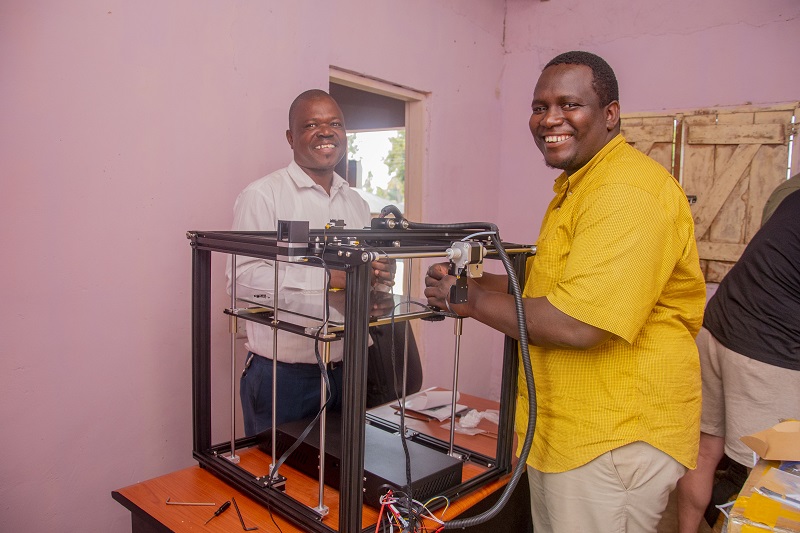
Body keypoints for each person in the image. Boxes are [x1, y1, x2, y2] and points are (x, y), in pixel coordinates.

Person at [425, 51, 706, 532]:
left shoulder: (628, 190)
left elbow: (580, 323)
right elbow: (548, 283)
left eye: (569, 105)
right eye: (539, 106)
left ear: (610, 115)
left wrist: (467, 301)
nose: (549, 119)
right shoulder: (582, 186)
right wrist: (470, 282)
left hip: (612, 434)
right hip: (571, 430)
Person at [227, 89, 396, 437]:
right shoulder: (262, 196)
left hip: (349, 368)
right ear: (291, 137)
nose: (326, 131)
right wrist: (332, 278)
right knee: (278, 481)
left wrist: (378, 279)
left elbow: (361, 275)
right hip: (283, 376)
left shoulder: (357, 203)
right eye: (311, 124)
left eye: (335, 123)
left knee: (341, 478)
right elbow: (243, 283)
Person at [677, 188, 800, 533]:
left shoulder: (794, 197)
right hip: (766, 353)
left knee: (703, 452)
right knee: (771, 475)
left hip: (716, 328)